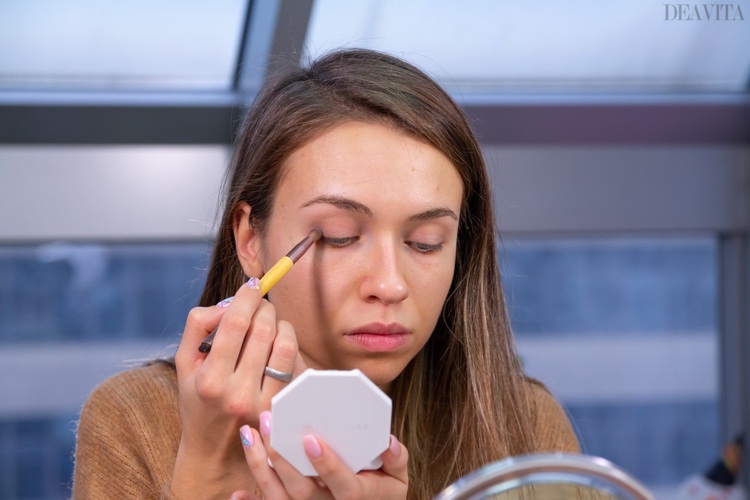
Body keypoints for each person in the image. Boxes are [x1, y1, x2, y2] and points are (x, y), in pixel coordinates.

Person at [72, 48, 579, 499]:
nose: (388, 284)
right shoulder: (135, 419)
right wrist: (206, 470)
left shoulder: (524, 425)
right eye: (339, 236)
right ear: (251, 240)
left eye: (426, 243)